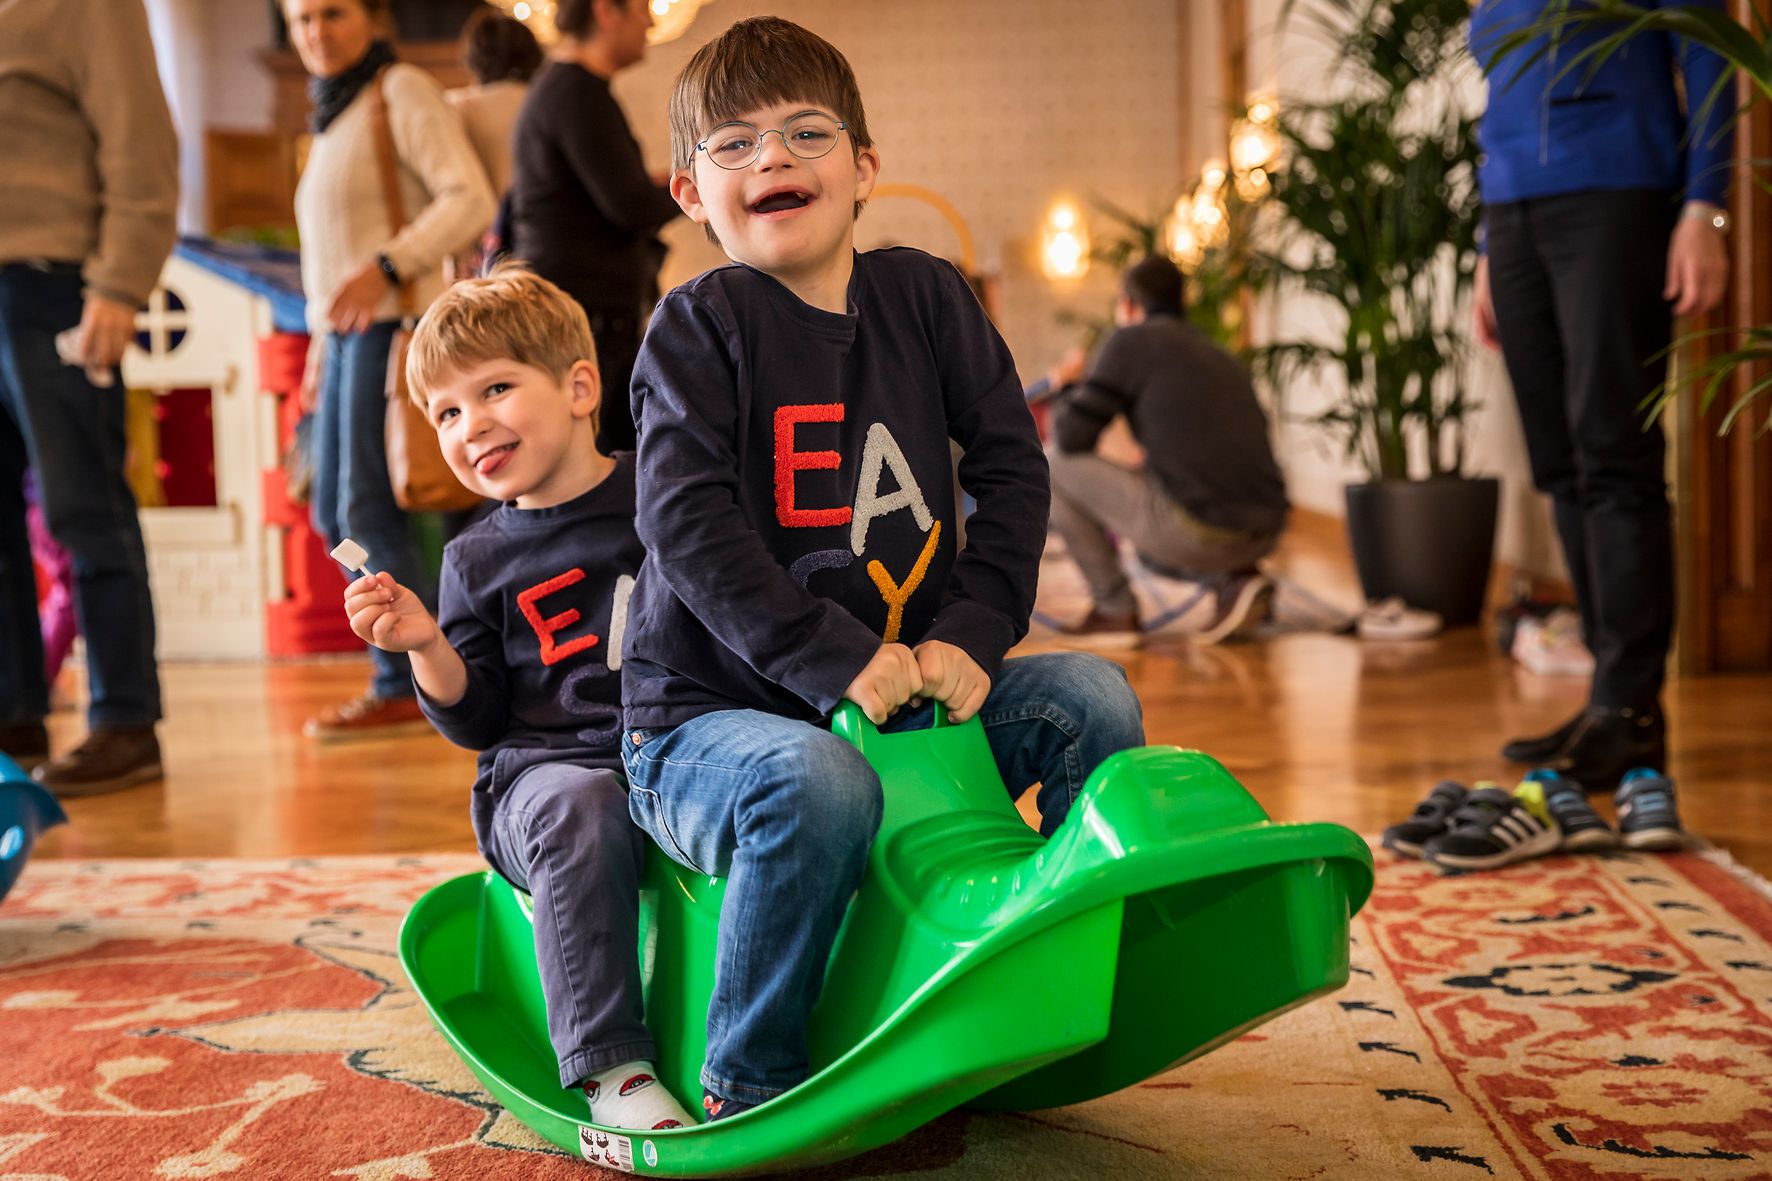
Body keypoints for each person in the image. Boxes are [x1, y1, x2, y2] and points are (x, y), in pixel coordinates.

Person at [622, 17, 1147, 1121]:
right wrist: (830, 658)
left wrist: (972, 630)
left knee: (1091, 699)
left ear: (864, 166)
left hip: (909, 695)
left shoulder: (927, 297)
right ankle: (751, 1080)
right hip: (708, 722)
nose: (772, 157)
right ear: (689, 192)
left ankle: (1052, 981)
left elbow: (1011, 468)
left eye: (804, 133)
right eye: (734, 144)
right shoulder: (695, 327)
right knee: (816, 779)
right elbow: (683, 521)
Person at [343, 265, 692, 1130]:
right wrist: (426, 644)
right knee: (582, 801)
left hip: (673, 752)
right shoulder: (472, 559)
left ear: (579, 388)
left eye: (495, 389)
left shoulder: (662, 496)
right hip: (540, 780)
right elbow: (477, 717)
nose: (471, 425)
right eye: (446, 413)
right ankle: (612, 1069)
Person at [1471, 0, 1732, 794]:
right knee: (1559, 463)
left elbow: (1710, 55)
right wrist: (1487, 248)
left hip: (1617, 193)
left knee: (1614, 452)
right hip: (1513, 211)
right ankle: (1603, 699)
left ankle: (1631, 709)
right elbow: (1504, 93)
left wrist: (1705, 206)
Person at [286, 0, 496, 741]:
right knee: (334, 513)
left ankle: (409, 678)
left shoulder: (398, 90)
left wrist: (386, 265)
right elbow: (331, 260)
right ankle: (423, 665)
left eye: (333, 13)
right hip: (343, 340)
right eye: (300, 20)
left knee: (369, 510)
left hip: (389, 334)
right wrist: (319, 347)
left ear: (374, 18)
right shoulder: (333, 114)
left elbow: (469, 198)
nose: (316, 32)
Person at [0, 0, 178, 796]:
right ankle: (13, 717)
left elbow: (141, 140)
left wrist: (119, 284)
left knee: (83, 511)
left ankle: (124, 720)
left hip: (52, 287)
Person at [1041, 255, 1289, 648]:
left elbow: (1071, 439)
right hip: (1267, 528)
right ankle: (1236, 580)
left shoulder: (1129, 341)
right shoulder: (1215, 351)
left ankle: (1113, 609)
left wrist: (1067, 384)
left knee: (1051, 462)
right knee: (1147, 551)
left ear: (1128, 305)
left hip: (1205, 530)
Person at [509, 0, 681, 456]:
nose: (651, 21)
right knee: (609, 459)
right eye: (642, 8)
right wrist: (699, 183)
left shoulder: (565, 88)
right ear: (607, 11)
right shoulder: (578, 93)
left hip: (584, 310)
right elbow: (630, 206)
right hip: (591, 319)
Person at [448, 7, 543, 202]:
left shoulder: (458, 105)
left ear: (473, 57)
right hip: (539, 215)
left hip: (485, 217)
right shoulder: (546, 102)